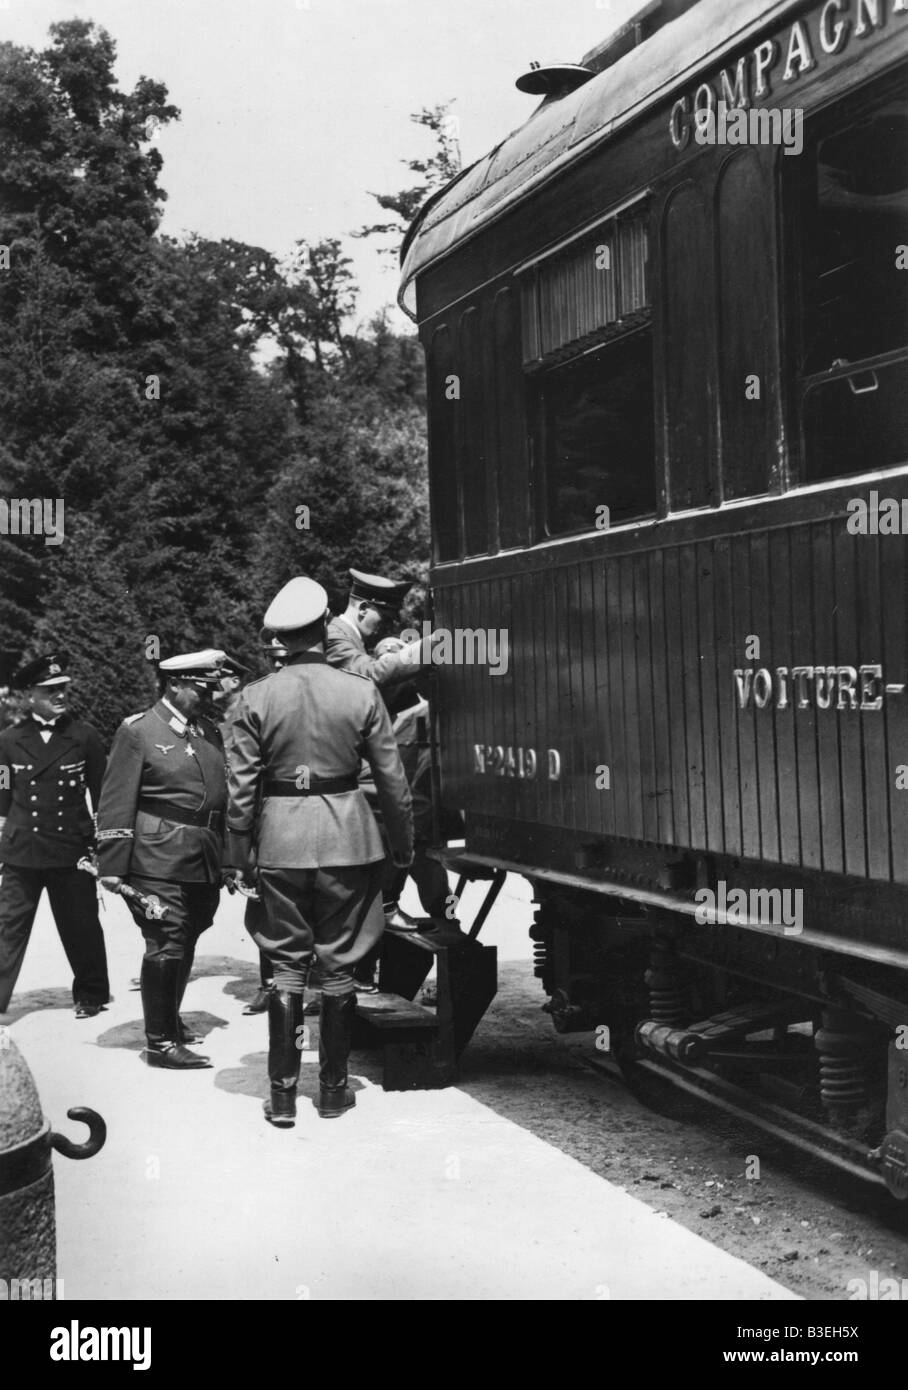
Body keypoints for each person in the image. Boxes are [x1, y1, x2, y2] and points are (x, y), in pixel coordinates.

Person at [225, 576, 413, 1127]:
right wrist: (400, 850)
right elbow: (393, 784)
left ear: (279, 637)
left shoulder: (253, 696)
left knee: (286, 965)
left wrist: (239, 857)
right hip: (349, 841)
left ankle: (282, 1097)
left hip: (280, 843)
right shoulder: (360, 691)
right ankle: (332, 1090)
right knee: (340, 966)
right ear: (326, 622)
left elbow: (241, 791)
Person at [96, 649, 227, 1070]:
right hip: (156, 855)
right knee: (167, 938)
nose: (211, 694)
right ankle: (161, 1042)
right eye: (202, 687)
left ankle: (168, 1018)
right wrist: (113, 866)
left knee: (188, 934)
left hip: (201, 854)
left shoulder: (208, 730)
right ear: (175, 684)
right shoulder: (138, 731)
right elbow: (116, 799)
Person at [0, 653, 110, 1018]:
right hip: (21, 852)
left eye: (62, 688)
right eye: (49, 690)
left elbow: (104, 794)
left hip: (71, 849)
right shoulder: (8, 741)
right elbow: (1, 799)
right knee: (8, 929)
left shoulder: (84, 737)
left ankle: (92, 993)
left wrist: (105, 845)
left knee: (80, 924)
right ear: (30, 695)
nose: (59, 695)